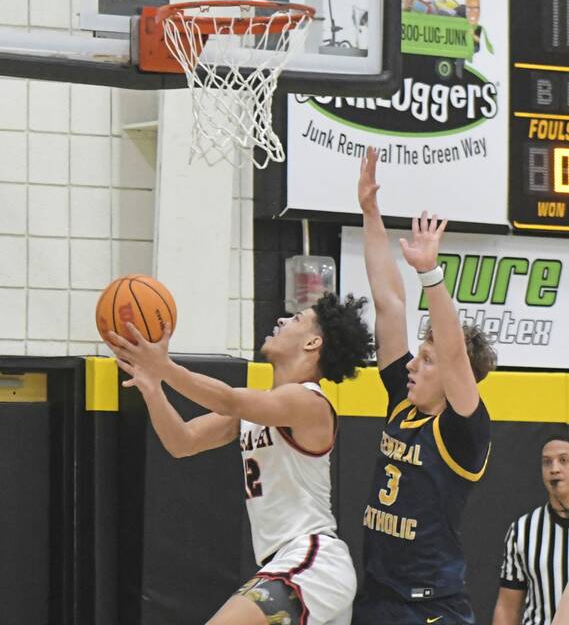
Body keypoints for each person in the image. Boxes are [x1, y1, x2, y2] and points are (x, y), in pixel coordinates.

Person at [105, 292, 373, 625]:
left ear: (312, 343)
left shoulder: (310, 402)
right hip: (287, 564)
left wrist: (165, 366)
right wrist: (152, 389)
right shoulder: (261, 409)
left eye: (296, 319)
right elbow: (182, 442)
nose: (282, 319)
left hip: (311, 561)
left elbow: (230, 399)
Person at [352, 146, 497, 625]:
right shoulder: (403, 402)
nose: (413, 364)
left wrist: (430, 275)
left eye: (427, 359)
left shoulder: (463, 432)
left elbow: (455, 354)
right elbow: (390, 302)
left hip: (430, 608)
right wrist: (370, 213)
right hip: (377, 598)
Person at [493, 435, 569, 625]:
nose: (554, 469)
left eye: (564, 460)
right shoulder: (522, 530)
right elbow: (508, 607)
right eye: (546, 462)